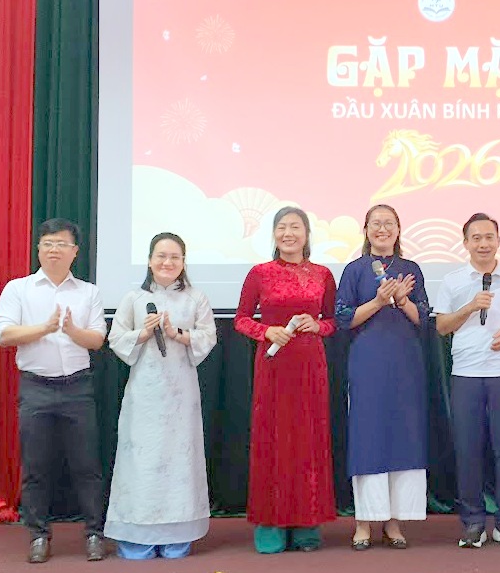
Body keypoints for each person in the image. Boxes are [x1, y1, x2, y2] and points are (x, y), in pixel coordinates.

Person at [0, 218, 107, 564]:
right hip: (36, 387)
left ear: (75, 251)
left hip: (77, 387)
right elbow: (4, 335)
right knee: (36, 466)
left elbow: (97, 340)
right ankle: (38, 535)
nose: (54, 250)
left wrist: (71, 330)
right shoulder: (19, 289)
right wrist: (44, 328)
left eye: (61, 244)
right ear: (39, 249)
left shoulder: (89, 292)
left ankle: (95, 533)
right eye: (48, 244)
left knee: (87, 465)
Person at [105, 233, 218, 560]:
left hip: (181, 392)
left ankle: (176, 534)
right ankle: (138, 535)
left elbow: (208, 336)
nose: (167, 262)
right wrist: (143, 333)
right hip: (144, 392)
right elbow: (116, 338)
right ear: (149, 260)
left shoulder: (196, 298)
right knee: (141, 460)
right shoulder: (134, 298)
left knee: (180, 460)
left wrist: (175, 334)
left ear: (183, 262)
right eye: (161, 256)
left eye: (174, 257)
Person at [234, 206, 338, 553]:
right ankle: (271, 523)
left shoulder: (323, 274)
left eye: (295, 227)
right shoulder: (259, 273)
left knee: (308, 440)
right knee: (272, 439)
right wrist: (266, 331)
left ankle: (307, 522)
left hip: (310, 366)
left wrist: (317, 325)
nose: (288, 233)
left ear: (307, 234)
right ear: (274, 234)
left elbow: (333, 322)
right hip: (273, 366)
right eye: (282, 227)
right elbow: (241, 319)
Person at [433, 213, 500, 549]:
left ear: (498, 241)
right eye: (476, 238)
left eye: (489, 237)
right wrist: (469, 307)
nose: (483, 244)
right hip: (466, 374)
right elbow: (442, 326)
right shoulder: (452, 281)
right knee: (467, 450)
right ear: (465, 243)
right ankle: (473, 522)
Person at [335, 205, 430, 551]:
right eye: (376, 223)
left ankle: (394, 522)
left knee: (403, 435)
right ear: (366, 230)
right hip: (368, 363)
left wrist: (402, 300)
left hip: (405, 363)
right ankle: (364, 521)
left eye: (389, 223)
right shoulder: (354, 270)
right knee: (368, 435)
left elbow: (423, 318)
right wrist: (378, 301)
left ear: (398, 230)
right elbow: (344, 318)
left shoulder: (411, 269)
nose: (382, 229)